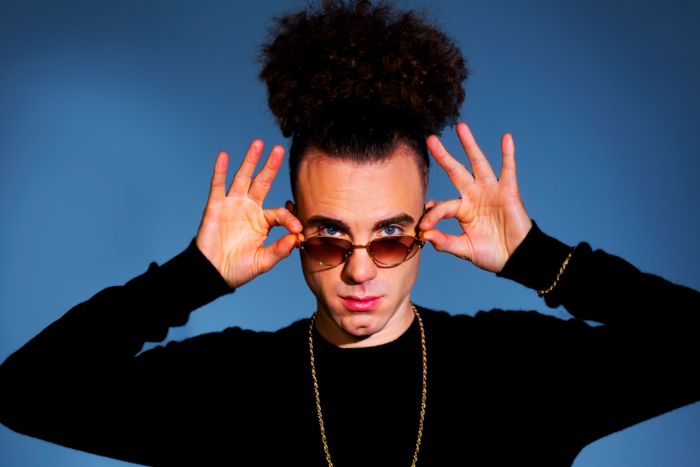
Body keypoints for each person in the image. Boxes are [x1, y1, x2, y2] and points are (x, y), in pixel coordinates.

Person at [1, 1, 698, 466]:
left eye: (390, 236)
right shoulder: (224, 388)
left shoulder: (522, 373)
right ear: (294, 227)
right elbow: (25, 395)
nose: (360, 271)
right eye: (331, 238)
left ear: (425, 224)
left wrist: (543, 260)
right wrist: (191, 276)